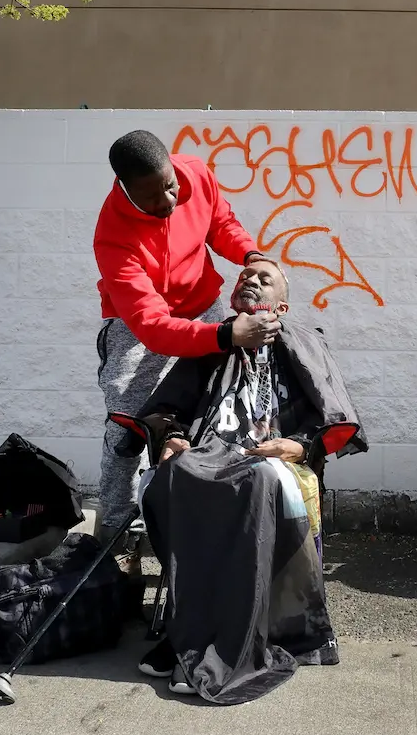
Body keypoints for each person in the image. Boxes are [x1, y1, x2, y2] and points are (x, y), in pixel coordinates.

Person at [116, 258, 368, 704]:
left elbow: (333, 418)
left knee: (255, 483)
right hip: (211, 454)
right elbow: (164, 408)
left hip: (269, 459)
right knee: (176, 475)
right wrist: (172, 437)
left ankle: (223, 648)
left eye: (263, 278)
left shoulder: (306, 346)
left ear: (282, 307)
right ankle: (190, 638)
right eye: (245, 276)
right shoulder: (213, 343)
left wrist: (301, 447)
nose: (250, 279)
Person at [92, 130, 282, 543]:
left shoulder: (195, 171)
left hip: (203, 303)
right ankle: (115, 528)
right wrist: (227, 333)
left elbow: (221, 222)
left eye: (170, 186)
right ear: (125, 189)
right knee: (127, 423)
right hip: (138, 322)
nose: (168, 201)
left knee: (214, 404)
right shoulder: (112, 238)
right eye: (152, 196)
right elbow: (153, 327)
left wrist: (251, 255)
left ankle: (199, 508)